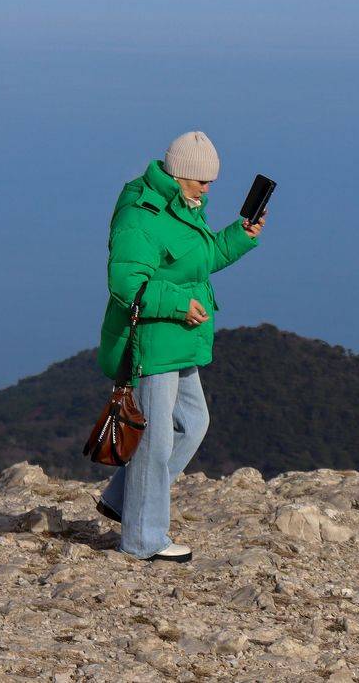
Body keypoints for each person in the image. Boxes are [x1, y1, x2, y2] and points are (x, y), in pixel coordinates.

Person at [95, 130, 267, 561]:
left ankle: (122, 501)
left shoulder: (183, 207)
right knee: (153, 441)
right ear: (179, 173)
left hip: (180, 341)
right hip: (153, 344)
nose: (208, 189)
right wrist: (177, 305)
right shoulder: (142, 215)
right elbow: (125, 284)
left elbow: (198, 263)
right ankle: (142, 540)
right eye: (202, 181)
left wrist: (239, 236)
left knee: (192, 422)